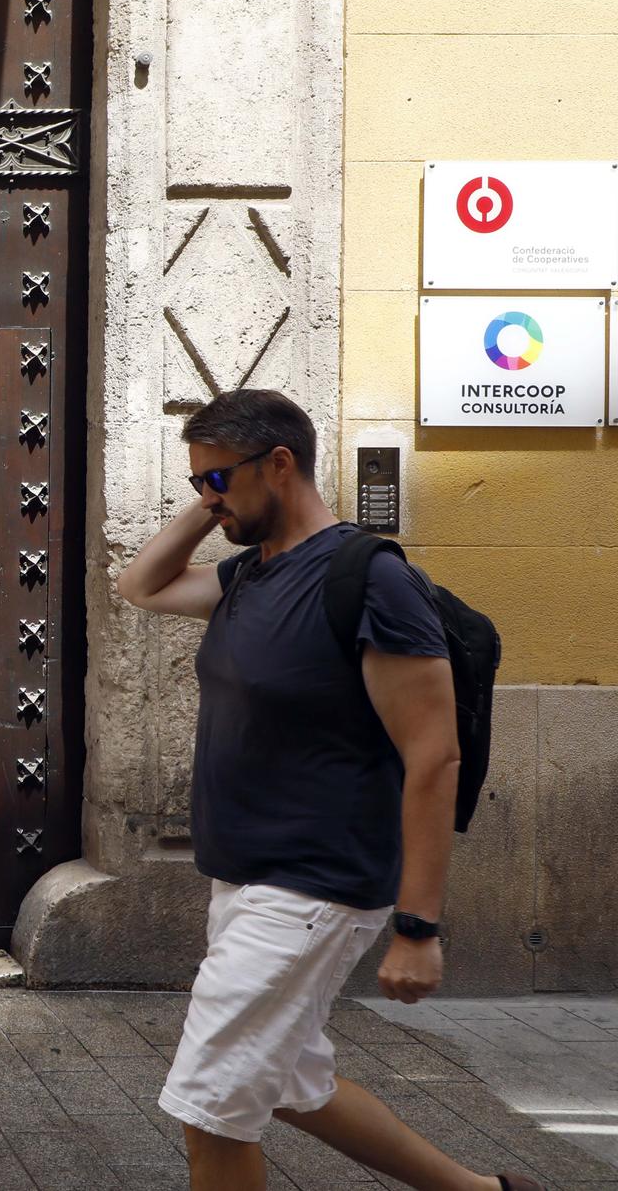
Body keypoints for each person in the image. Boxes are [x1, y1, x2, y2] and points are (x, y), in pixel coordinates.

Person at [116, 389, 536, 1191]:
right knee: (288, 1083)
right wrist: (214, 506)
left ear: (281, 464)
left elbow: (433, 756)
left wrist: (419, 926)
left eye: (217, 478)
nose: (207, 495)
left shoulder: (369, 579)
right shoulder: (250, 573)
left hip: (315, 885)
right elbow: (141, 584)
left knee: (210, 1105)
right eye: (198, 481)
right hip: (247, 878)